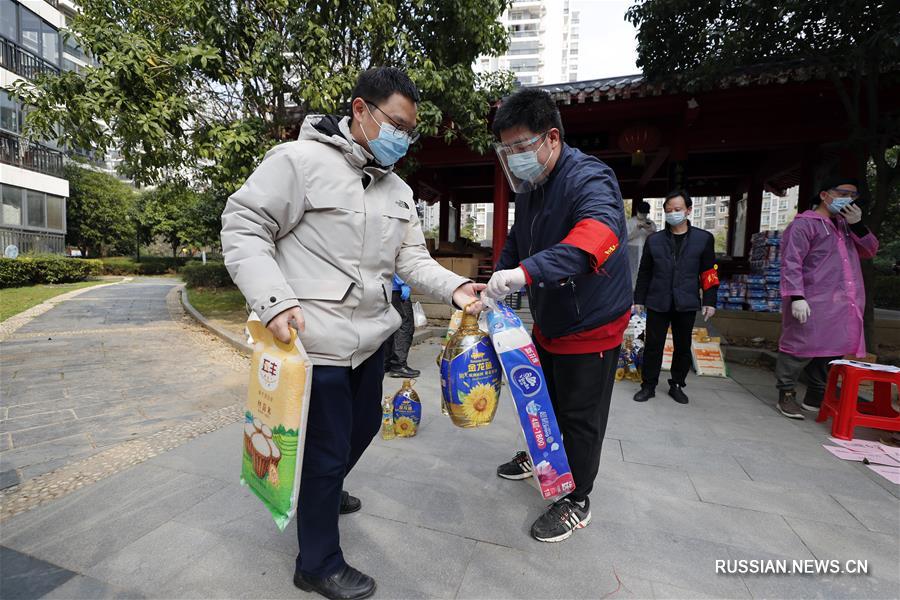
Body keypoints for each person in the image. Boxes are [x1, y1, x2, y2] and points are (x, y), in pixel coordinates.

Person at [221, 67, 484, 600]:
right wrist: (273, 301)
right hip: (314, 342)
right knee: (324, 450)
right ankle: (317, 562)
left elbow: (413, 259)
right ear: (360, 111)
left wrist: (457, 288)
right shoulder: (298, 162)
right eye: (397, 124)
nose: (404, 140)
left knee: (363, 427)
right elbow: (244, 225)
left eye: (411, 131)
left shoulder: (398, 190)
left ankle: (326, 488)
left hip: (370, 339)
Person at [483, 88, 632, 543]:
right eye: (506, 151)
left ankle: (577, 498)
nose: (514, 158)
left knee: (580, 415)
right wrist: (501, 275)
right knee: (540, 400)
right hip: (550, 317)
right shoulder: (531, 185)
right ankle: (540, 455)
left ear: (551, 138)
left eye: (520, 148)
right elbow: (517, 242)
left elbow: (598, 233)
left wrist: (525, 273)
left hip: (591, 322)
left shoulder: (589, 178)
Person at [775, 176, 878, 419]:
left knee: (832, 349)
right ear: (824, 195)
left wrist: (858, 226)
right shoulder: (804, 224)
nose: (848, 200)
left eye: (853, 196)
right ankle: (786, 393)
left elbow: (870, 250)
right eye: (843, 193)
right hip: (812, 297)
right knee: (798, 346)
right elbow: (791, 261)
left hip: (842, 301)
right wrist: (796, 295)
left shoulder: (845, 225)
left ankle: (816, 395)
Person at [632, 190, 718, 405]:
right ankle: (648, 385)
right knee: (653, 345)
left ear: (688, 210)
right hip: (658, 300)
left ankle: (677, 384)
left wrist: (709, 300)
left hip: (686, 301)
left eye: (677, 210)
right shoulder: (655, 240)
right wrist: (639, 299)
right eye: (669, 210)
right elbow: (645, 272)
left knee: (682, 346)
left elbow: (709, 272)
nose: (673, 214)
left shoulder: (703, 238)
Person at [383, 274, 420, 378]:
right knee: (405, 326)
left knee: (390, 325)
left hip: (386, 287)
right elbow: (396, 261)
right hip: (397, 288)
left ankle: (386, 363)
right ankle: (398, 365)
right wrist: (403, 283)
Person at [625, 200, 657, 287]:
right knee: (631, 274)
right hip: (632, 251)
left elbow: (655, 237)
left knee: (645, 273)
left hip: (646, 251)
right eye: (641, 212)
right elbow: (625, 238)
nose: (643, 215)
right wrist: (637, 229)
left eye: (645, 213)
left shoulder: (651, 223)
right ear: (637, 210)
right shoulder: (630, 222)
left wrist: (649, 228)